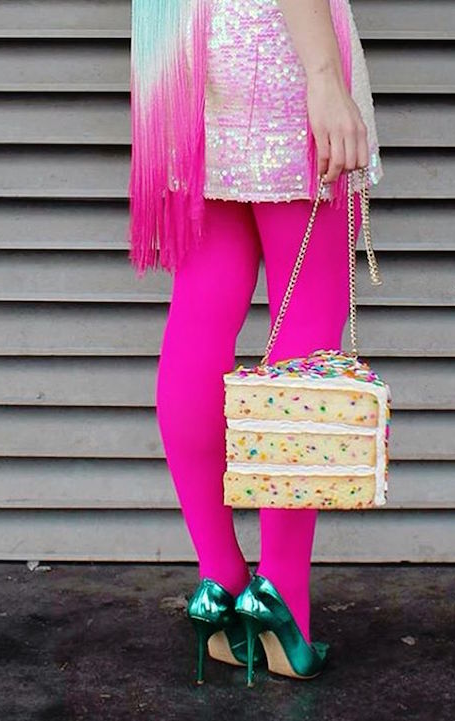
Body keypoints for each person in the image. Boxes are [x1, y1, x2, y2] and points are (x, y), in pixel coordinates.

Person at [127, 0, 384, 685]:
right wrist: (324, 77)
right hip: (276, 48)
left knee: (199, 314)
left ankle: (219, 585)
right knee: (308, 321)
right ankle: (282, 600)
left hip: (183, 55)